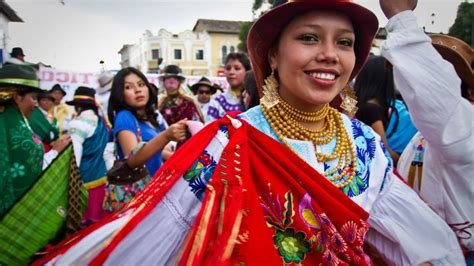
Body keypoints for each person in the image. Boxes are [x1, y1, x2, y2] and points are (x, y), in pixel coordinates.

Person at [36, 1, 463, 265]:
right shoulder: (229, 141)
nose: (330, 55)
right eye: (310, 38)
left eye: (346, 42)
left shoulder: (365, 144)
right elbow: (163, 230)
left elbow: (407, 235)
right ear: (273, 55)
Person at [381, 2, 473, 259]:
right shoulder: (425, 134)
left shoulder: (465, 125)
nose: (406, 77)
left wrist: (400, 16)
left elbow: (440, 99)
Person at [104, 67, 187, 212]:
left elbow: (156, 151)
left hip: (154, 190)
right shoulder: (124, 117)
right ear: (120, 94)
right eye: (129, 87)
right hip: (139, 197)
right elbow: (133, 159)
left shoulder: (148, 119)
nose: (137, 90)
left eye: (141, 84)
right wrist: (166, 136)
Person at [354, 55, 417, 163]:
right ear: (387, 79)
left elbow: (346, 118)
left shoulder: (354, 101)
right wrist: (404, 162)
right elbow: (383, 150)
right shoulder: (372, 109)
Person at [66, 86, 109, 225]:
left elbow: (75, 155)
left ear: (78, 107)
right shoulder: (102, 122)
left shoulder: (78, 123)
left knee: (81, 227)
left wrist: (70, 179)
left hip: (84, 180)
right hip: (102, 178)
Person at [207, 52, 251, 121]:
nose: (231, 72)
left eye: (237, 68)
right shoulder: (217, 102)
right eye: (228, 68)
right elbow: (209, 129)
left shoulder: (254, 100)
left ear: (247, 71)